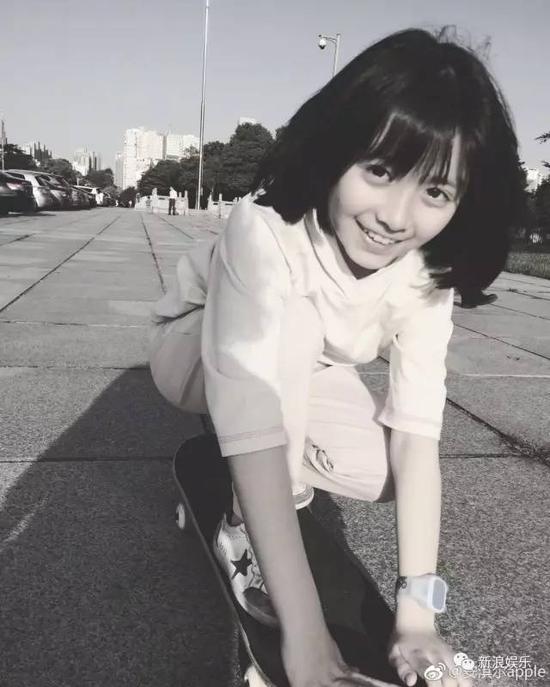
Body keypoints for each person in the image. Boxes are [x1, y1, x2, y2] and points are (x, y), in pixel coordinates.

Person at [148, 28, 522, 687]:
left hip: (301, 368)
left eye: (435, 192)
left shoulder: (426, 277)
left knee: (386, 472)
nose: (396, 218)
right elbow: (253, 411)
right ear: (337, 147)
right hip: (194, 352)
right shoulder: (265, 227)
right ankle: (242, 527)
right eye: (380, 171)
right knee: (290, 332)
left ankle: (263, 483)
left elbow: (417, 437)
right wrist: (306, 632)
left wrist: (418, 614)